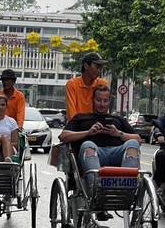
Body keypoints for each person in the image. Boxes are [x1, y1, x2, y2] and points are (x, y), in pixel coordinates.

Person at [59, 84, 141, 221]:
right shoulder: (81, 118)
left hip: (116, 155)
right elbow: (63, 136)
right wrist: (88, 133)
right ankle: (96, 192)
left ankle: (127, 189)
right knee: (88, 144)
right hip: (91, 154)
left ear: (109, 101)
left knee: (132, 143)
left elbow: (138, 139)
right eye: (98, 100)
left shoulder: (118, 120)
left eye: (105, 101)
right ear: (92, 100)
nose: (102, 104)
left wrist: (118, 133)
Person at [65, 52, 109, 121]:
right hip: (76, 126)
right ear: (86, 65)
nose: (99, 71)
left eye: (100, 68)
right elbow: (71, 114)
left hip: (96, 126)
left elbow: (105, 110)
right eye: (97, 67)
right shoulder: (72, 84)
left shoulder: (102, 83)